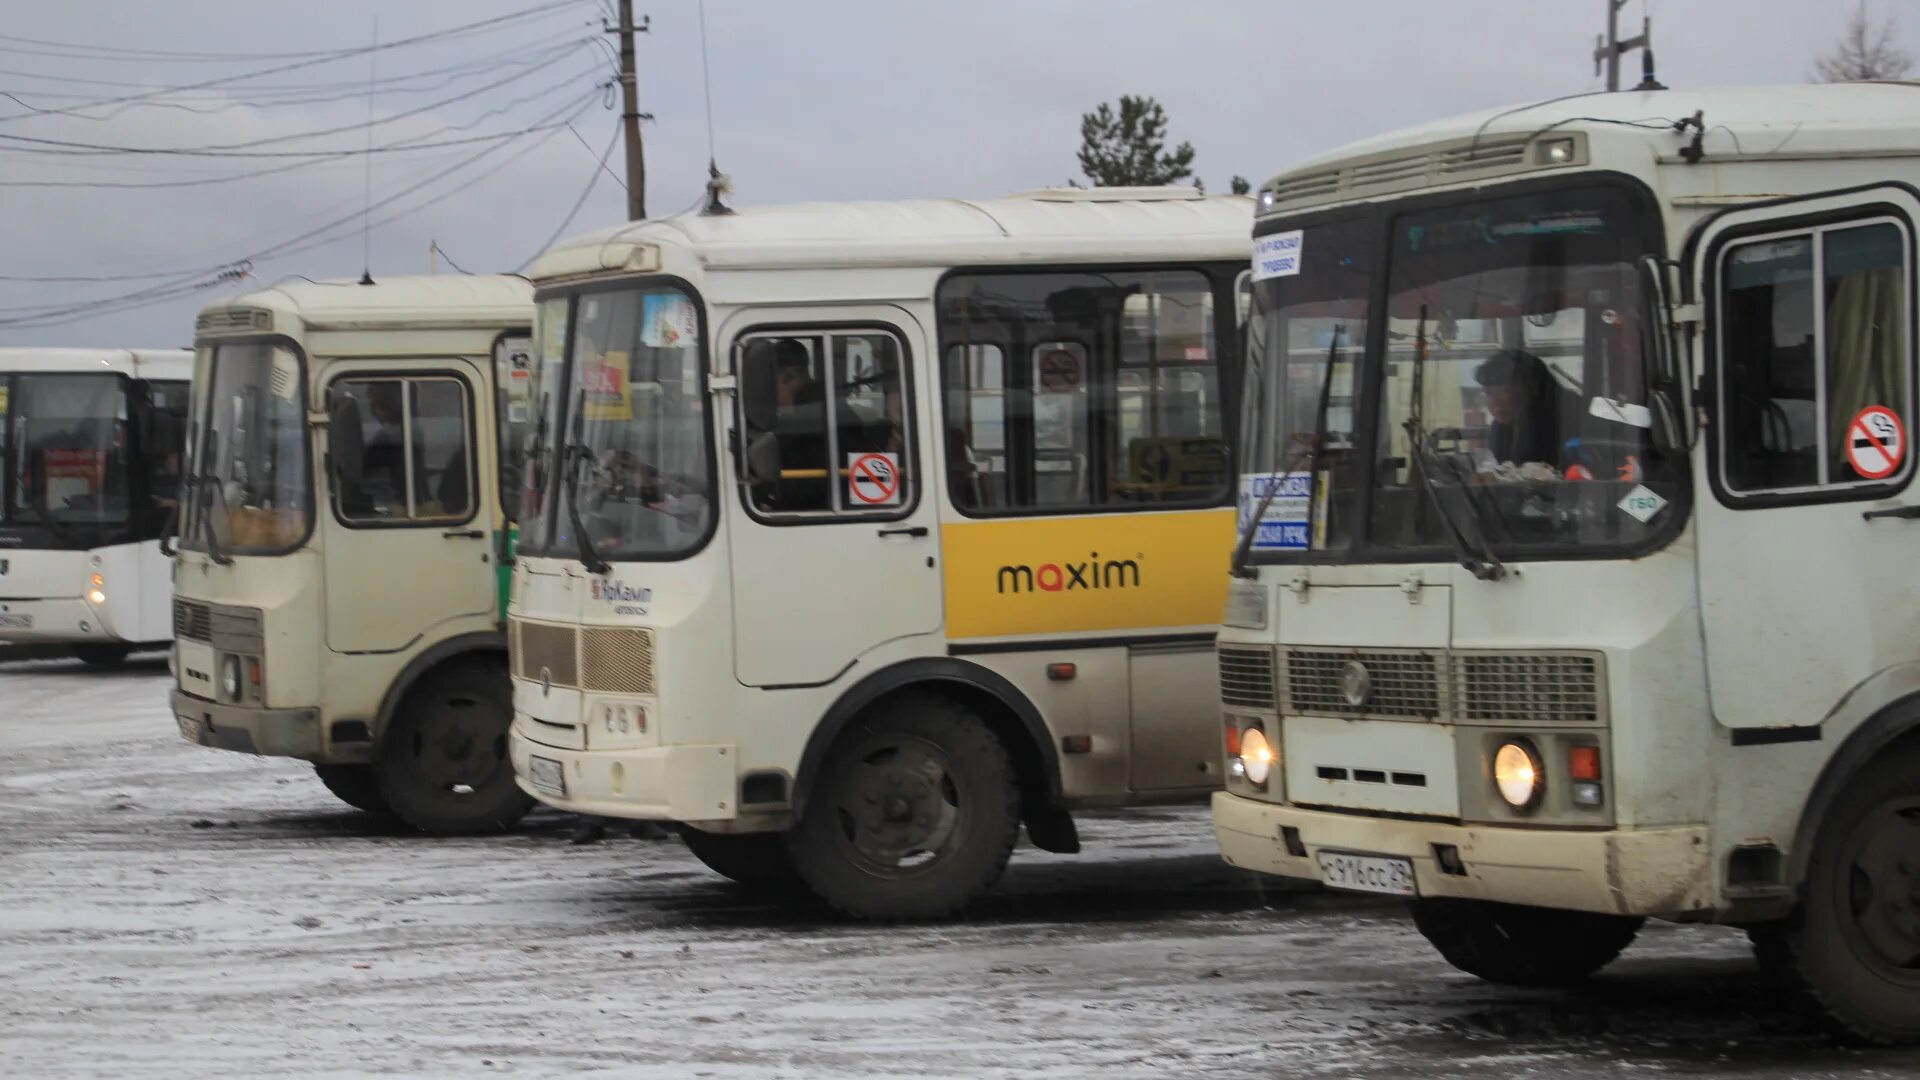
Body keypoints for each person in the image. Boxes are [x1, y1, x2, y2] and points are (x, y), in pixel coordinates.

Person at [1474, 349, 1576, 467]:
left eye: (1506, 390)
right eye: (1489, 392)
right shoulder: (1501, 430)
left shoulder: (1566, 421)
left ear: (1531, 388)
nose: (1496, 402)